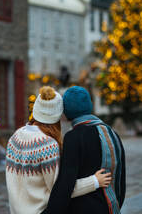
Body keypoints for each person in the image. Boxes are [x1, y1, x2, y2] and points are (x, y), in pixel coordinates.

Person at [5, 86, 112, 214]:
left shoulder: (15, 137)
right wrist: (94, 181)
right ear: (58, 116)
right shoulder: (47, 145)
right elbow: (60, 190)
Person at [42, 86, 126, 214]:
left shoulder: (73, 138)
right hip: (110, 207)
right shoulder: (111, 133)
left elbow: (65, 184)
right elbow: (121, 179)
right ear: (89, 106)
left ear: (66, 111)